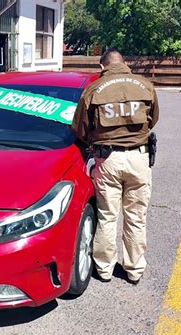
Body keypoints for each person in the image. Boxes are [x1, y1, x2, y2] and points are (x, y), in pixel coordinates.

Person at [71, 49, 159, 285]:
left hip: (107, 160)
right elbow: (153, 119)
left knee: (108, 216)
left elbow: (80, 127)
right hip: (139, 158)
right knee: (136, 217)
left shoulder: (93, 90)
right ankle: (134, 269)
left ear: (102, 67)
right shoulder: (144, 85)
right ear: (125, 63)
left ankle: (104, 269)